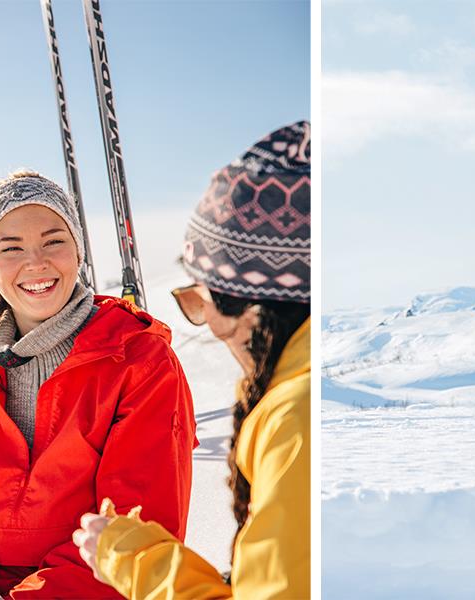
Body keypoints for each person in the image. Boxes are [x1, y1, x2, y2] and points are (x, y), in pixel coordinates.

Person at [0, 171, 198, 599]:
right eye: (10, 247)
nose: (36, 262)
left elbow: (135, 532)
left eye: (54, 240)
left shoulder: (138, 361)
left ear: (78, 248)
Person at [71, 121, 311, 598]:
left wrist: (141, 562)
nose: (207, 325)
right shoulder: (294, 402)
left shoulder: (295, 422)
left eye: (201, 301)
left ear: (254, 308)